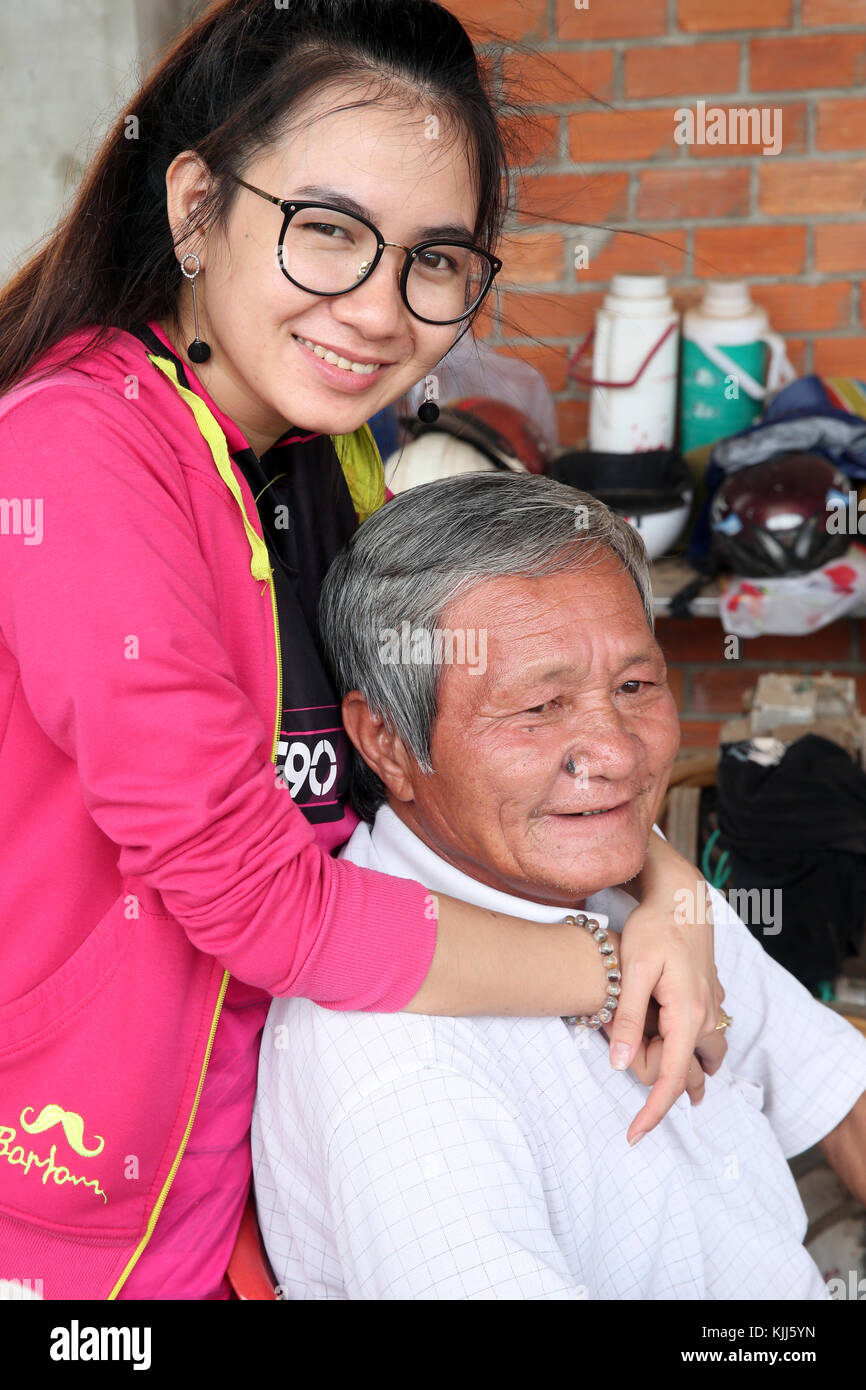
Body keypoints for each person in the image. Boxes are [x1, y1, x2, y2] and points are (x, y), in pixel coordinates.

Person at [0, 0, 722, 1300]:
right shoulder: (75, 455)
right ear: (194, 207)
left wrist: (667, 885)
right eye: (327, 232)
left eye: (434, 258)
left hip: (236, 1184)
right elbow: (252, 896)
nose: (380, 312)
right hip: (54, 1212)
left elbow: (429, 728)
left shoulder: (328, 452)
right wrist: (608, 959)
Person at [253, 473, 866, 1300]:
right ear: (387, 742)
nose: (612, 753)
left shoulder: (632, 879)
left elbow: (839, 1090)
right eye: (540, 707)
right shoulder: (400, 1072)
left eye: (634, 687)